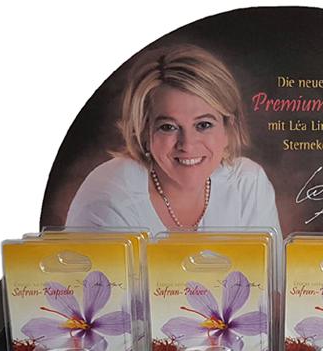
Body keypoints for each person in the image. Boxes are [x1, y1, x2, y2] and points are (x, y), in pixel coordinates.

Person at [66, 44, 282, 239]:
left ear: (228, 129)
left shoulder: (247, 185)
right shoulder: (110, 198)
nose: (187, 145)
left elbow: (272, 271)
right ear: (143, 132)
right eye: (168, 127)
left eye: (204, 125)